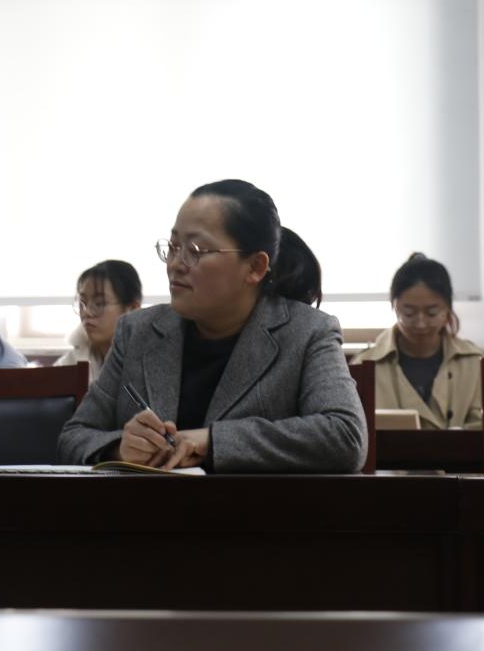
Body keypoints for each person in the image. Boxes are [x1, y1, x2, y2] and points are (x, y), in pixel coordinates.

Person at [57, 179, 367, 473]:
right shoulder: (137, 332)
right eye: (172, 247)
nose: (175, 264)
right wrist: (118, 449)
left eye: (195, 251)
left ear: (255, 267)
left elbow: (346, 435)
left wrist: (212, 441)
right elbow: (74, 436)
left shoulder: (307, 332)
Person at [352, 253, 484, 430]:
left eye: (431, 313)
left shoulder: (475, 363)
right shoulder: (365, 365)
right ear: (394, 306)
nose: (420, 323)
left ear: (447, 308)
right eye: (409, 313)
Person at [56, 260, 142, 383]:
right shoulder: (70, 363)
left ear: (132, 309)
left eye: (99, 304)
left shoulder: (151, 363)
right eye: (82, 303)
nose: (86, 312)